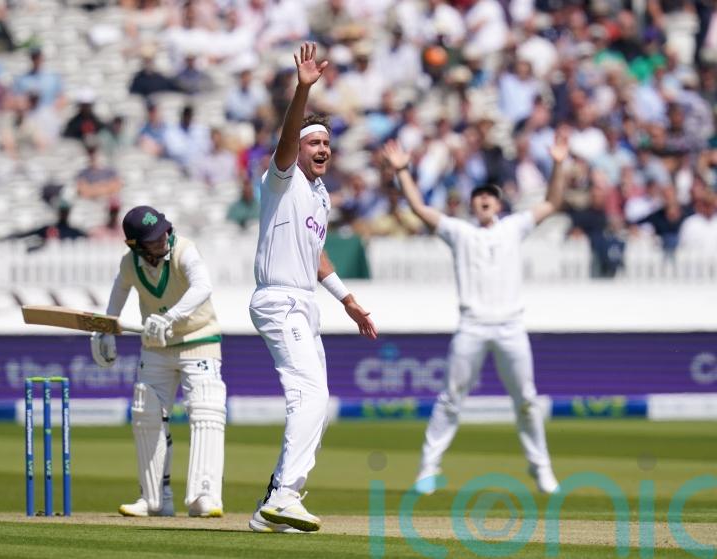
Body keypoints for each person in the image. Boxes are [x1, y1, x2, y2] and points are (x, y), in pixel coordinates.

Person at [380, 130, 570, 496]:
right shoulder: (459, 232)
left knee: (527, 400)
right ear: (473, 205)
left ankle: (542, 469)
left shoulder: (514, 227)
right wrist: (403, 171)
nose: (484, 200)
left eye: (489, 197)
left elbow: (552, 202)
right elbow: (420, 209)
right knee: (451, 398)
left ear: (499, 205)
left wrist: (559, 163)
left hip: (511, 326)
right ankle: (427, 468)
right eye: (478, 197)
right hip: (472, 326)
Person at [248, 43, 378, 534]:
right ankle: (284, 494)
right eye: (313, 143)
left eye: (327, 144)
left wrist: (348, 300)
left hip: (304, 301)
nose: (322, 150)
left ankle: (271, 507)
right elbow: (285, 140)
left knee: (317, 402)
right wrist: (303, 89)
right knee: (310, 395)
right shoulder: (281, 180)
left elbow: (316, 254)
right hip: (278, 298)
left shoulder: (320, 194)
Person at [90, 205, 226, 519]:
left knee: (206, 412)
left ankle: (204, 496)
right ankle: (154, 499)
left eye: (163, 231)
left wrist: (171, 317)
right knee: (146, 413)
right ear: (135, 245)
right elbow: (118, 294)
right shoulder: (129, 264)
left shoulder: (185, 251)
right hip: (156, 347)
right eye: (152, 238)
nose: (162, 239)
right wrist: (106, 331)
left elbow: (203, 287)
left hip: (199, 340)